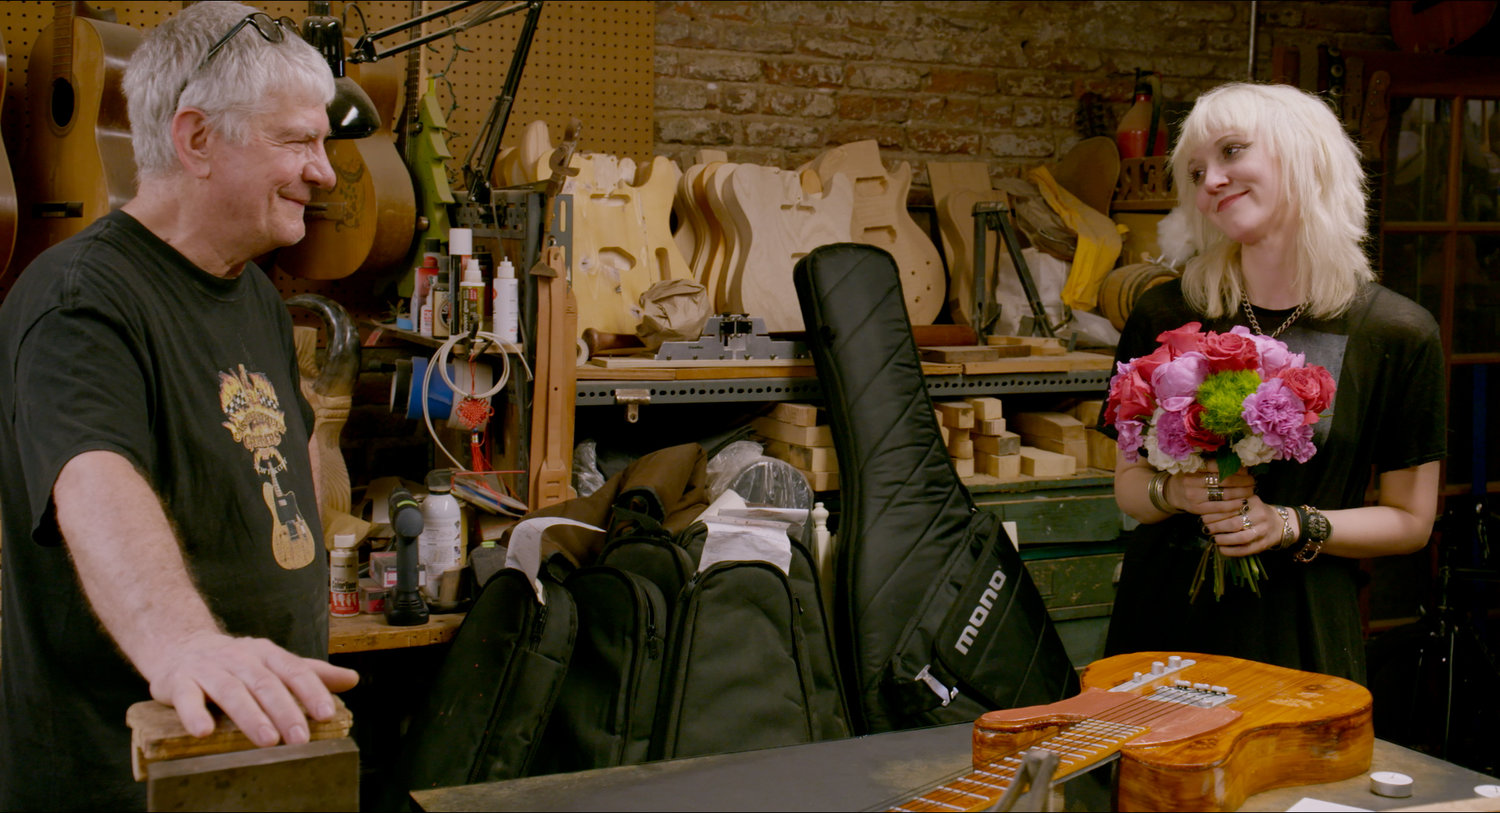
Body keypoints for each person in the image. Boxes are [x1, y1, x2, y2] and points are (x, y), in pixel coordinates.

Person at [0, 4, 359, 809]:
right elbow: (91, 478)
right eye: (297, 142)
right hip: (126, 779)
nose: (325, 173)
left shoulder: (253, 294)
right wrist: (184, 643)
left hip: (250, 761)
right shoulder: (79, 300)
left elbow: (282, 465)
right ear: (196, 140)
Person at [1102, 82, 1446, 684]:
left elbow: (1410, 521)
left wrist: (1288, 523)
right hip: (1162, 625)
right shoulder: (1163, 314)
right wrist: (1177, 494)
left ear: (1305, 155)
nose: (1211, 181)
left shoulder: (1396, 332)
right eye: (1196, 171)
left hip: (1300, 628)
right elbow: (1129, 487)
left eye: (1232, 151)